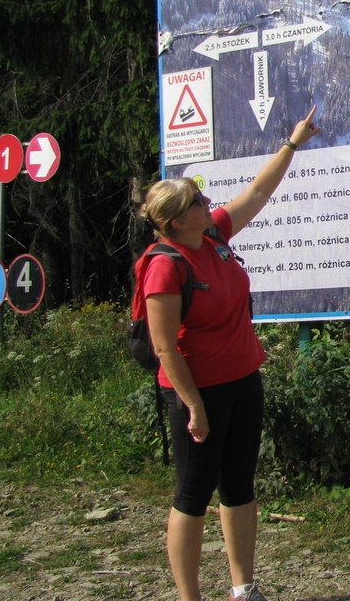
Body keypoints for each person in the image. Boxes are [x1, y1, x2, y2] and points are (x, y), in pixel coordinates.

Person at [139, 107, 321, 601]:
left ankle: (243, 587)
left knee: (239, 485)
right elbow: (163, 346)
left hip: (243, 380)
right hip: (197, 392)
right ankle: (190, 597)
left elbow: (258, 192)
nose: (209, 202)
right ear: (177, 220)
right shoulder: (165, 265)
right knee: (193, 494)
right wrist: (194, 405)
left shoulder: (213, 235)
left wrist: (292, 143)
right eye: (198, 200)